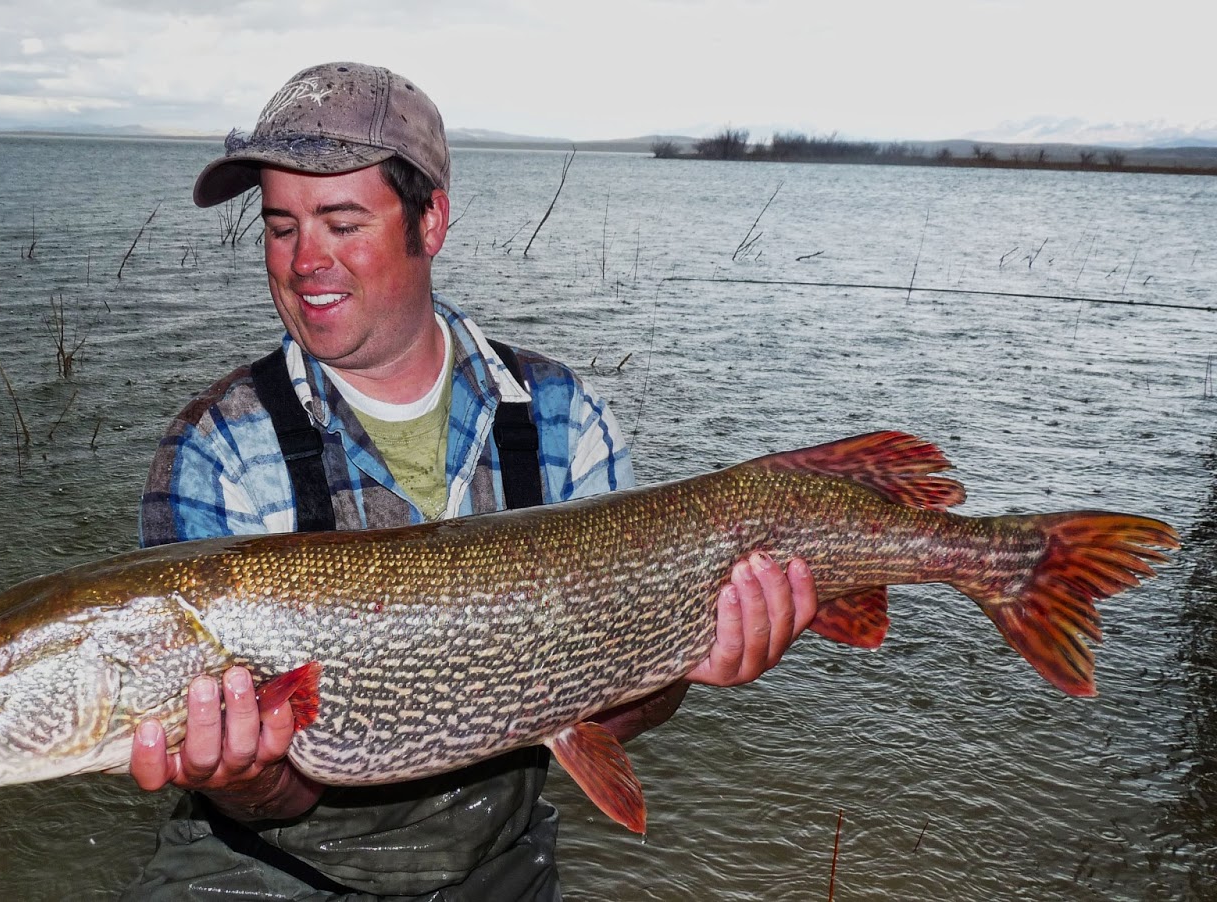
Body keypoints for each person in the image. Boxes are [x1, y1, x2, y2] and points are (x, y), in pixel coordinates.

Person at [121, 61, 817, 901]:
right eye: (280, 227)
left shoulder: (563, 418)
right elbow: (278, 794)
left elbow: (625, 701)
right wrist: (239, 774)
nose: (305, 261)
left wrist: (693, 660)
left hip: (497, 866)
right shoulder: (215, 448)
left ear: (431, 220)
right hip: (263, 873)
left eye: (342, 222)